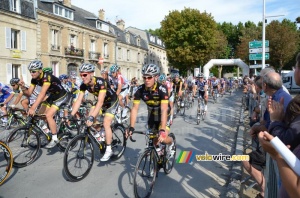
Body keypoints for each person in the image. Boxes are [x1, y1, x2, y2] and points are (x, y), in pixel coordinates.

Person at [70, 63, 118, 161]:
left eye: (85, 75)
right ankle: (100, 133)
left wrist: (92, 117)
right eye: (81, 75)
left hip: (111, 101)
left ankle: (109, 150)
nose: (82, 77)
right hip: (102, 102)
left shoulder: (101, 82)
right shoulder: (84, 85)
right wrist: (71, 114)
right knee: (90, 116)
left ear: (91, 73)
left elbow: (100, 102)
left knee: (106, 123)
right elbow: (79, 100)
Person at [18, 60, 70, 149]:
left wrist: (33, 107)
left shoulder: (47, 77)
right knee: (40, 115)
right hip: (52, 96)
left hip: (62, 95)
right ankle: (52, 130)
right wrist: (22, 87)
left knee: (49, 115)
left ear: (40, 70)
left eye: (34, 71)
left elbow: (42, 94)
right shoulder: (34, 79)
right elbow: (29, 93)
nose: (31, 73)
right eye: (30, 71)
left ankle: (54, 138)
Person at [127, 64, 175, 157]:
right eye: (144, 77)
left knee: (163, 138)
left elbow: (164, 109)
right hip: (153, 114)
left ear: (156, 77)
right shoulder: (139, 89)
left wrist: (162, 129)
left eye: (149, 77)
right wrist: (131, 127)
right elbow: (134, 109)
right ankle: (157, 153)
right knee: (153, 138)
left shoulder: (162, 89)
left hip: (164, 114)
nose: (146, 80)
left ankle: (171, 143)